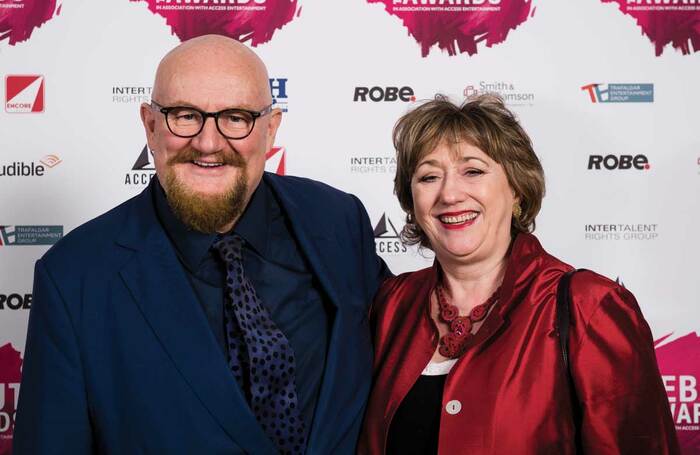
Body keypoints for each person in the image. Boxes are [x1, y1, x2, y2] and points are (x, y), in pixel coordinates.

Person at [14, 35, 389, 454]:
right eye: (185, 116)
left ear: (270, 130)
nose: (208, 143)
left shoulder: (338, 221)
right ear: (151, 126)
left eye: (235, 118)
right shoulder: (74, 276)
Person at [358, 95, 679, 454]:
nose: (449, 193)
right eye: (429, 176)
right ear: (411, 200)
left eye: (473, 171)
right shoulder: (389, 304)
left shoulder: (590, 307)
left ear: (516, 189)